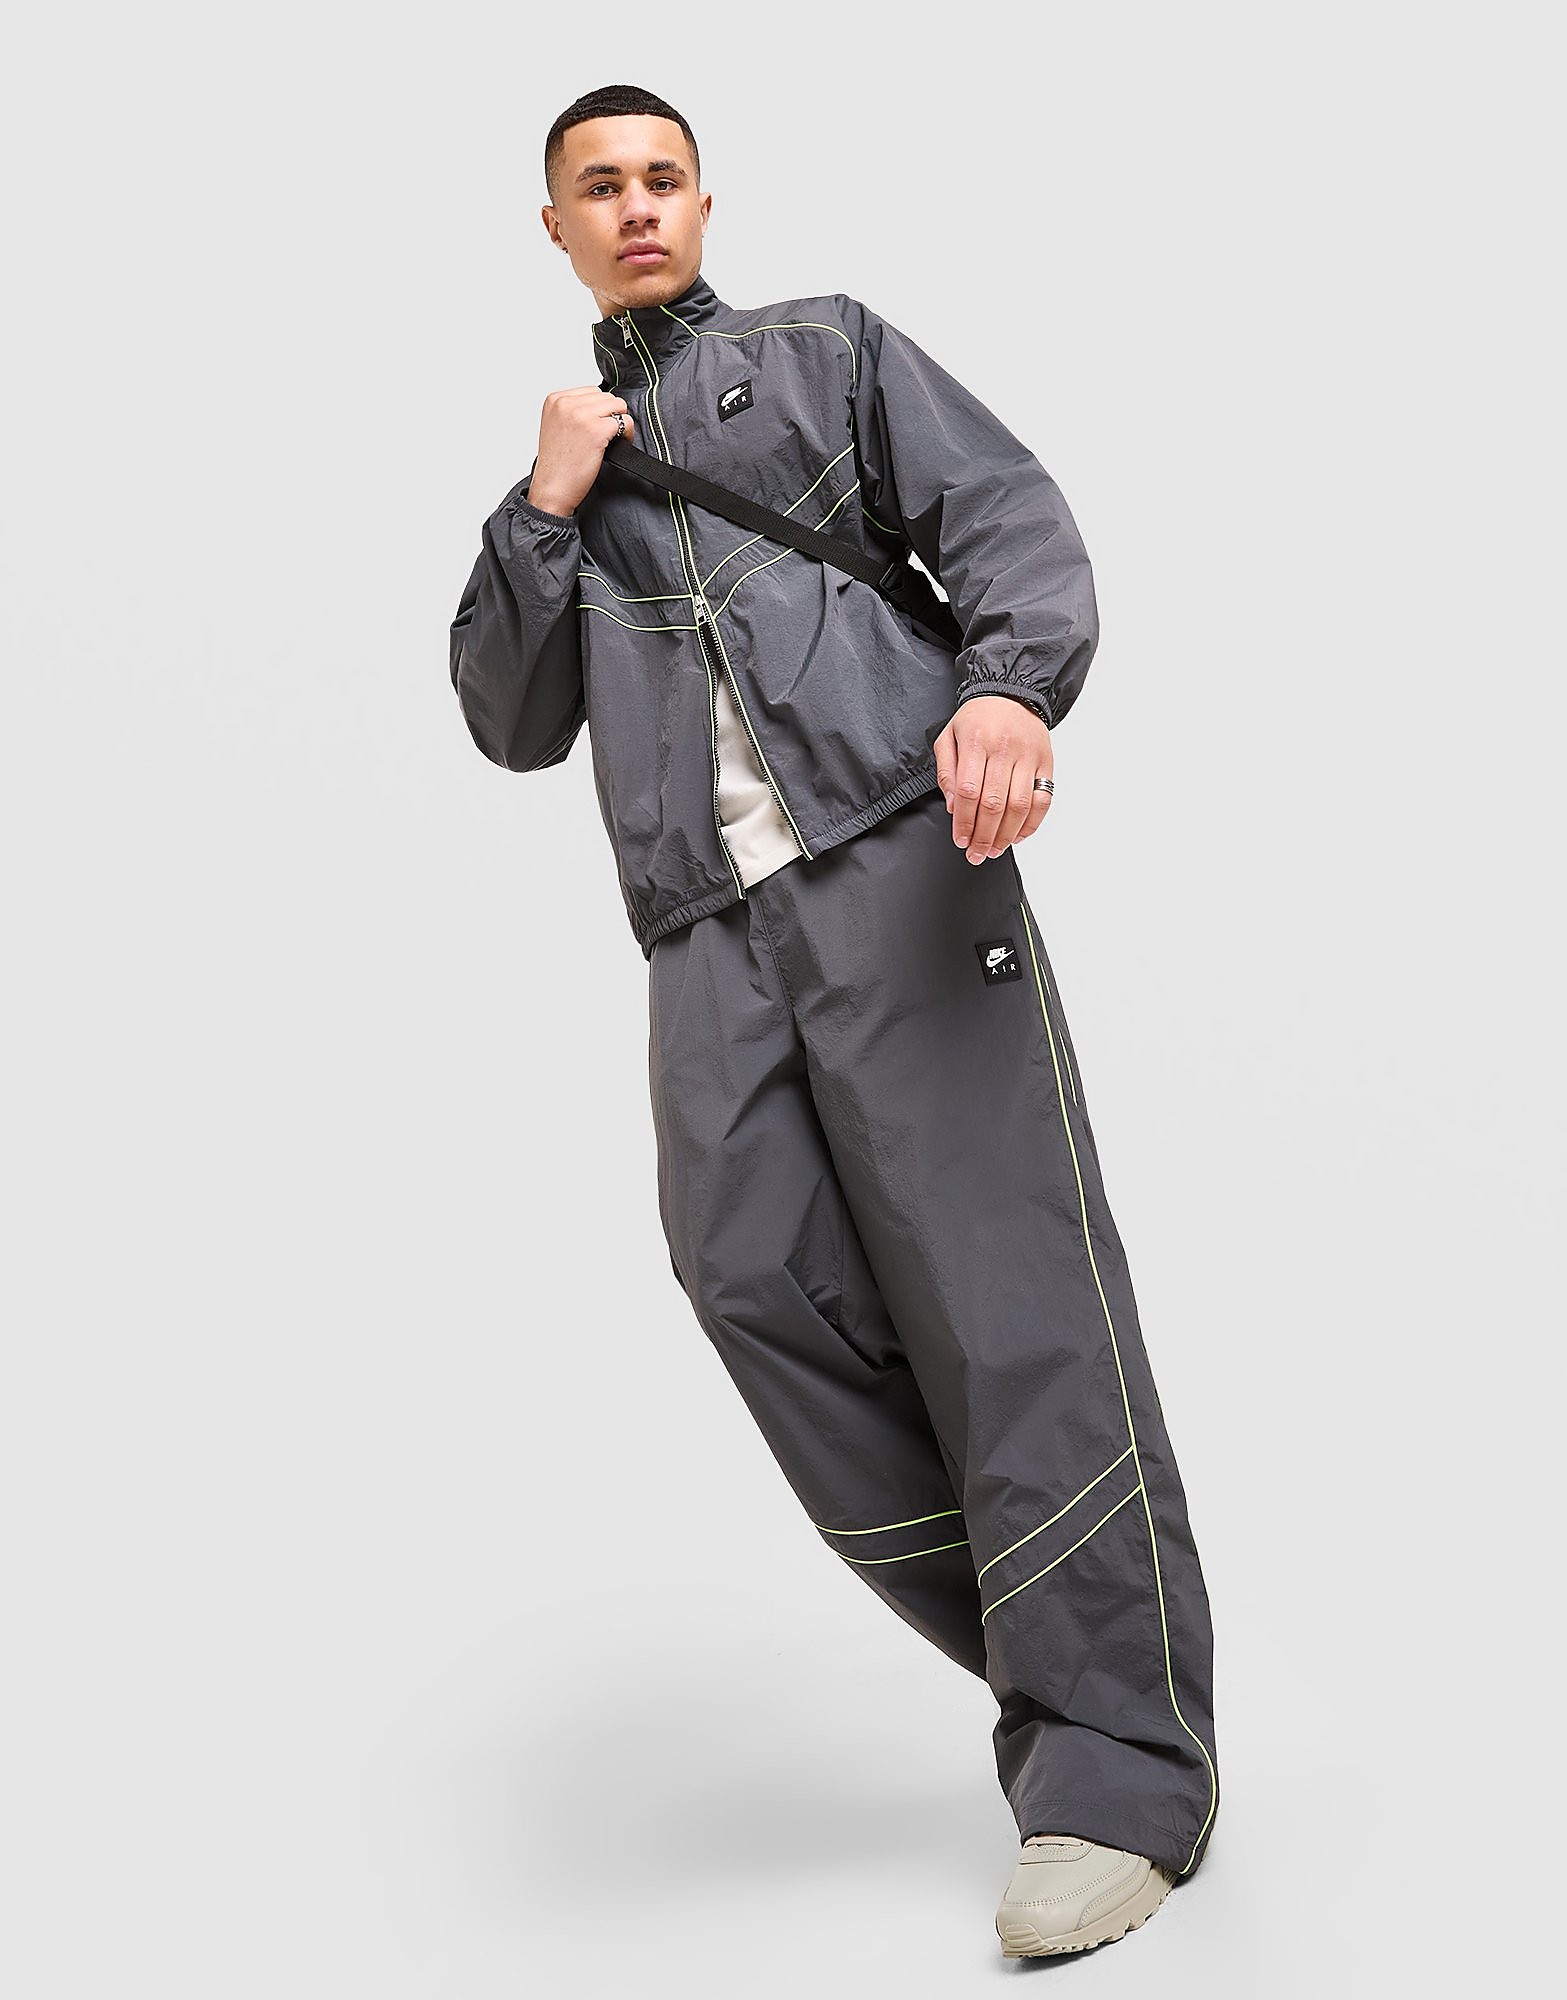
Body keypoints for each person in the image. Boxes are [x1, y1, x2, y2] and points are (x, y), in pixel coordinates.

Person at [448, 81, 1221, 1960]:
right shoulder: (561, 481)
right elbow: (507, 715)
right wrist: (543, 505)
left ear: (707, 202)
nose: (636, 207)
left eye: (662, 178)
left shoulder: (824, 355)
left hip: (894, 861)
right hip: (704, 932)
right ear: (551, 229)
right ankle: (1074, 1649)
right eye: (598, 188)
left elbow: (1010, 522)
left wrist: (1011, 692)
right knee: (749, 1276)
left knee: (1003, 1300)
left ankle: (1119, 1770)